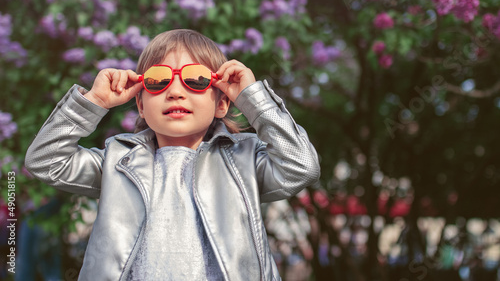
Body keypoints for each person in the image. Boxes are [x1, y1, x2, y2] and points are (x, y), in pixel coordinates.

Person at [25, 29, 320, 281]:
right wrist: (94, 101)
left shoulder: (242, 159)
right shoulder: (118, 161)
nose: (175, 91)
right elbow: (45, 160)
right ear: (140, 105)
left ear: (222, 104)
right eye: (157, 80)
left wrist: (254, 98)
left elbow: (301, 166)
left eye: (196, 80)